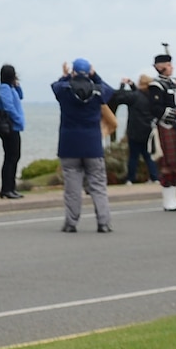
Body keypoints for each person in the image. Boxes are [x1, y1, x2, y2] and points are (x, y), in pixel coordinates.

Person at [52, 60, 115, 233]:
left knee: (72, 188)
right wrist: (95, 76)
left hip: (69, 144)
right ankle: (103, 222)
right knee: (98, 185)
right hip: (92, 144)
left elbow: (56, 86)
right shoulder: (97, 91)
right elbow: (109, 91)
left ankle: (71, 223)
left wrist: (65, 75)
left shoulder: (65, 90)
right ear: (89, 72)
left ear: (73, 72)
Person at [145, 50, 176, 211]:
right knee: (167, 165)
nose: (171, 67)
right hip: (165, 126)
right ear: (160, 67)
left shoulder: (174, 83)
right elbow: (155, 108)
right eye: (168, 65)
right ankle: (167, 200)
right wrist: (175, 113)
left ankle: (174, 198)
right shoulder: (155, 85)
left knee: (175, 165)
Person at [110, 72, 160, 186]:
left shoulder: (134, 96)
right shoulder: (151, 96)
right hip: (148, 130)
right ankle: (154, 177)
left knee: (133, 156)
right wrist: (132, 85)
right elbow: (138, 93)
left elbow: (119, 98)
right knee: (148, 155)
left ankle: (130, 179)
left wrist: (122, 85)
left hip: (135, 130)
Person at [0, 64, 26, 198]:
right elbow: (8, 106)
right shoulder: (3, 88)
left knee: (14, 156)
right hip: (10, 127)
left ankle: (11, 187)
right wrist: (18, 119)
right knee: (11, 157)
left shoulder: (10, 87)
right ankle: (6, 189)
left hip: (14, 126)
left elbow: (20, 96)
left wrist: (17, 85)